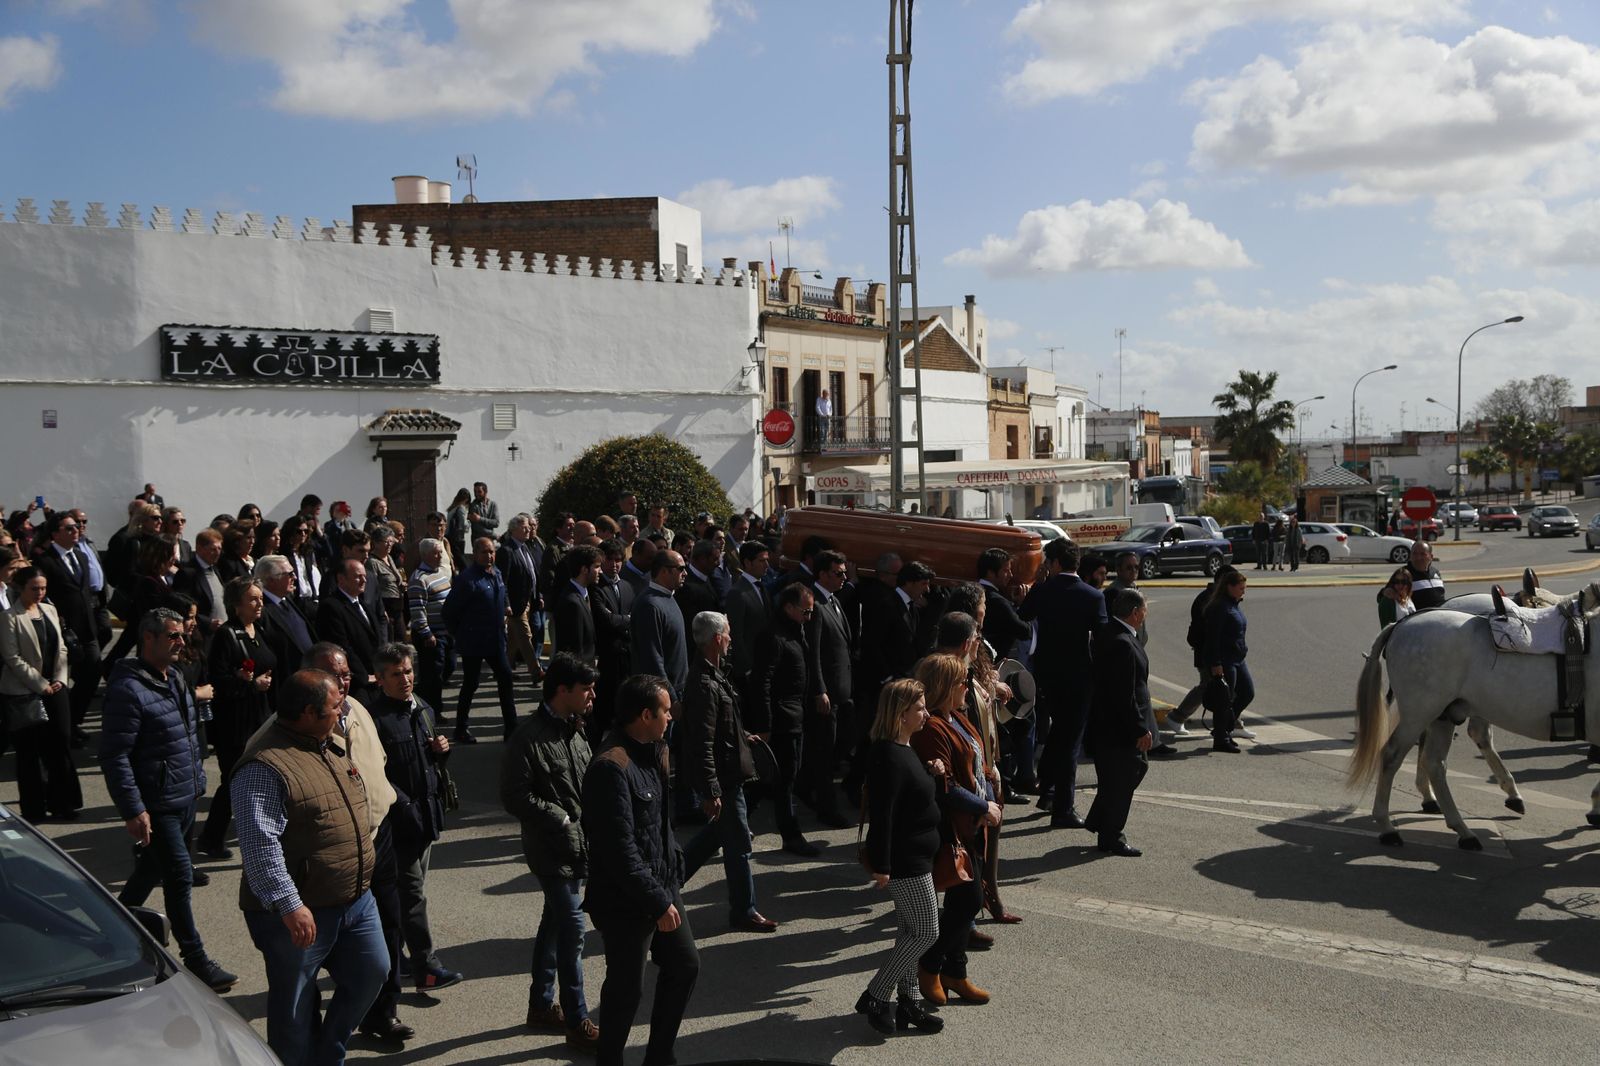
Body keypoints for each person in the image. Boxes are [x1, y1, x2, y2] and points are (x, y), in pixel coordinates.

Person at [232, 668, 387, 1066]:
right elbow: (259, 844)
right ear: (307, 712)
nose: (341, 713)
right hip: (299, 911)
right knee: (294, 1009)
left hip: (355, 900)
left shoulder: (325, 743)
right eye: (334, 708)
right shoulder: (265, 766)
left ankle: (327, 1054)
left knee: (372, 972)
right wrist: (288, 904)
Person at [99, 608, 237, 992]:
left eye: (181, 635)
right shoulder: (128, 689)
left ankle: (112, 932)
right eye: (173, 636)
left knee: (149, 871)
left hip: (184, 794)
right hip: (156, 803)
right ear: (148, 639)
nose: (181, 641)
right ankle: (196, 959)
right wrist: (133, 809)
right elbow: (115, 755)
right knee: (178, 876)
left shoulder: (174, 676)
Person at [583, 674, 699, 1066]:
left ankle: (659, 1056)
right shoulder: (611, 767)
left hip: (661, 885)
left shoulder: (655, 749)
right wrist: (656, 901)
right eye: (665, 711)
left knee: (684, 965)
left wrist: (674, 870)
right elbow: (619, 850)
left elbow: (658, 827)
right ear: (645, 714)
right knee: (625, 990)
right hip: (625, 899)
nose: (671, 717)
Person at [500, 653, 603, 1053]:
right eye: (586, 689)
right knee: (574, 930)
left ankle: (541, 1005)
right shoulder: (526, 738)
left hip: (580, 847)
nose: (593, 694)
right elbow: (513, 796)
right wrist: (559, 817)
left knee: (555, 925)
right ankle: (577, 1021)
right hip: (551, 850)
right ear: (563, 691)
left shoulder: (576, 728)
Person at [367, 642, 461, 993]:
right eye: (396, 674)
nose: (405, 678)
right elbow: (375, 774)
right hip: (398, 824)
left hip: (427, 818)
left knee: (408, 894)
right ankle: (426, 966)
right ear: (380, 679)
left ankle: (394, 957)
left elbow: (429, 765)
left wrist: (442, 753)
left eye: (407, 671)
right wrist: (403, 806)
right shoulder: (374, 719)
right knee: (412, 894)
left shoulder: (423, 709)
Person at [856, 678, 944, 1035]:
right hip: (906, 863)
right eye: (920, 707)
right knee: (927, 932)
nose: (926, 712)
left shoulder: (905, 748)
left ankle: (908, 1003)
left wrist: (930, 772)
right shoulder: (887, 755)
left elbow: (910, 795)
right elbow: (885, 815)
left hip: (919, 856)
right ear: (901, 713)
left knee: (909, 931)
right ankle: (876, 994)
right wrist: (883, 866)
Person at [680, 611, 776, 933]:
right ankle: (744, 911)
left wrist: (742, 735)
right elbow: (701, 742)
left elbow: (721, 726)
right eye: (729, 634)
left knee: (714, 838)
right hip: (724, 780)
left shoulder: (714, 675)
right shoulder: (704, 683)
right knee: (738, 848)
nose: (732, 640)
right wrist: (711, 790)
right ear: (718, 638)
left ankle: (665, 884)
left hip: (727, 775)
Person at [910, 653, 996, 1008]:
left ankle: (955, 972)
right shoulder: (931, 728)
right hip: (951, 826)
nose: (968, 688)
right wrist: (982, 806)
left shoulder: (956, 717)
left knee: (963, 900)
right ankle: (930, 966)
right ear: (945, 687)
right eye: (963, 682)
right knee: (970, 899)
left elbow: (974, 762)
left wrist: (989, 782)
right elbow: (943, 785)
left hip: (972, 825)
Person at [1019, 537, 1105, 822]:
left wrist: (1036, 586)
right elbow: (1102, 637)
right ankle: (1063, 807)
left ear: (1055, 563)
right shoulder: (1093, 596)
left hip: (1047, 674)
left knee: (1060, 733)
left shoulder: (1043, 591)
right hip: (1080, 676)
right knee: (1070, 740)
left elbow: (1023, 617)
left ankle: (1049, 788)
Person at [197, 577, 277, 859]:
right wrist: (247, 683)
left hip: (260, 716)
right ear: (236, 604)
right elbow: (216, 679)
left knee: (260, 777)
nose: (260, 603)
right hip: (235, 721)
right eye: (253, 599)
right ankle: (211, 837)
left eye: (260, 598)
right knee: (234, 779)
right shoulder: (227, 635)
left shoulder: (258, 629)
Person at [1, 565, 83, 820]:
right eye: (34, 588)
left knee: (60, 743)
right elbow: (12, 658)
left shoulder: (49, 609)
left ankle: (62, 803)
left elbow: (61, 649)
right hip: (24, 692)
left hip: (56, 686)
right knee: (30, 751)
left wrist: (59, 679)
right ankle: (34, 808)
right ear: (21, 588)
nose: (39, 593)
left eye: (43, 588)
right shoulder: (9, 617)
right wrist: (40, 684)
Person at [1085, 589, 1153, 856]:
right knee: (1122, 778)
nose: (1145, 615)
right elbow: (1123, 693)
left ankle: (1101, 821)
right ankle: (1111, 835)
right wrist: (1139, 727)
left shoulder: (1115, 633)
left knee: (1125, 774)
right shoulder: (1122, 642)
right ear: (1135, 613)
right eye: (1144, 611)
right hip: (1118, 728)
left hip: (1111, 724)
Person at [752, 582, 818, 856]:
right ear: (788, 607)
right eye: (805, 612)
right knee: (778, 779)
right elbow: (762, 682)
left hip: (794, 715)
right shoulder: (774, 636)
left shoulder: (795, 631)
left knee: (778, 778)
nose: (808, 618)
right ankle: (791, 835)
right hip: (781, 720)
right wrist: (764, 725)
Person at [33, 511, 103, 740]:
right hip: (62, 631)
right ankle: (62, 728)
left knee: (91, 674)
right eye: (69, 528)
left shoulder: (80, 556)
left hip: (86, 628)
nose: (76, 531)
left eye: (77, 527)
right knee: (60, 680)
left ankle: (72, 721)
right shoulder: (45, 561)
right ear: (54, 534)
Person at [443, 537, 519, 742]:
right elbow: (449, 611)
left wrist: (506, 605)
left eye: (492, 551)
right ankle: (461, 729)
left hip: (496, 640)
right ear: (475, 554)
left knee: (505, 678)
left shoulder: (496, 573)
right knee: (471, 683)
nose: (490, 556)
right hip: (474, 642)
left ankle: (512, 727)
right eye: (485, 552)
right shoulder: (468, 580)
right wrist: (461, 632)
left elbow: (503, 593)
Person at [804, 549, 854, 828]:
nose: (844, 577)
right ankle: (827, 809)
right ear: (822, 574)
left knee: (840, 745)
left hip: (843, 690)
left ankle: (806, 786)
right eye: (838, 573)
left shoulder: (834, 601)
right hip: (827, 693)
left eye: (845, 572)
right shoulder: (816, 604)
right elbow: (814, 653)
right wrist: (819, 689)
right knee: (824, 753)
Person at [316, 558, 382, 705]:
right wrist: (364, 676)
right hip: (356, 684)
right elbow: (342, 646)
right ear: (341, 579)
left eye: (365, 576)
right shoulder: (331, 607)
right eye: (358, 576)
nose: (364, 580)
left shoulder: (363, 604)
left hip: (376, 678)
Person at [1203, 570, 1252, 753]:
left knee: (1247, 692)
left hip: (1238, 659)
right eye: (1241, 588)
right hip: (1224, 661)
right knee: (1223, 700)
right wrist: (1216, 663)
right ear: (1229, 587)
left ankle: (1225, 728)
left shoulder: (1234, 604)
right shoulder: (1219, 607)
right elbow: (1212, 638)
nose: (1243, 592)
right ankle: (1221, 738)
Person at [630, 551, 690, 701]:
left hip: (677, 690)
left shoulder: (668, 597)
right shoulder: (650, 605)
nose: (686, 573)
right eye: (681, 569)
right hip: (661, 697)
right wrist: (671, 698)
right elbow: (652, 659)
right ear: (664, 570)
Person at [407, 538, 455, 715]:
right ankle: (432, 710)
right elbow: (417, 611)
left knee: (449, 666)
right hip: (431, 635)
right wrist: (427, 634)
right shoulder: (418, 579)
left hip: (446, 631)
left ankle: (420, 696)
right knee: (433, 675)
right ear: (425, 555)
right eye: (436, 553)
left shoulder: (439, 573)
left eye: (441, 552)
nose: (440, 555)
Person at [498, 513, 545, 685]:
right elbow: (503, 580)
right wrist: (506, 603)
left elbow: (533, 575)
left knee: (513, 639)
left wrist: (537, 595)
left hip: (528, 600)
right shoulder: (506, 550)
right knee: (525, 636)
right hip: (515, 604)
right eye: (524, 527)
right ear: (514, 529)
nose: (529, 529)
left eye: (529, 526)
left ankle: (504, 668)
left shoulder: (524, 547)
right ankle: (536, 671)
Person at [977, 548, 1031, 663]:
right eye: (1006, 570)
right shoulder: (998, 600)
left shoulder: (973, 592)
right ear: (990, 572)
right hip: (994, 662)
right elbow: (1024, 631)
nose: (1010, 575)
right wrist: (1023, 606)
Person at [553, 544, 602, 665]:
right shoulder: (571, 603)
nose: (600, 571)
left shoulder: (583, 595)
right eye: (597, 567)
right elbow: (574, 649)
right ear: (584, 569)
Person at [446, 487, 472, 566]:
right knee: (462, 563)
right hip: (458, 539)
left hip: (449, 537)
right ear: (467, 499)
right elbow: (463, 526)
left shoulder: (452, 508)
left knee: (452, 561)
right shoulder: (461, 508)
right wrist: (469, 521)